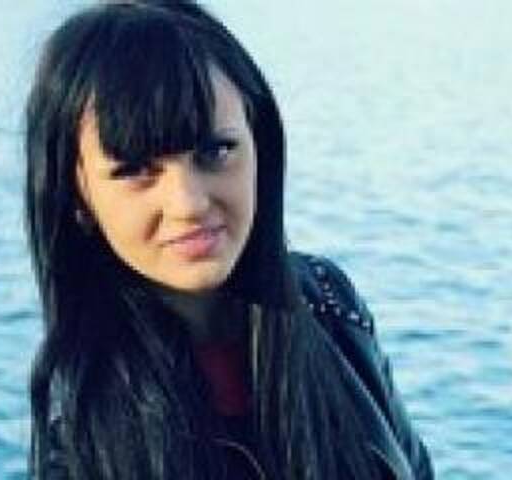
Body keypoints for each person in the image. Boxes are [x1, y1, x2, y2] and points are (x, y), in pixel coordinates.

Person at [23, 1, 434, 479]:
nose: (188, 203)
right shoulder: (79, 441)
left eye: (215, 150)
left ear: (260, 145)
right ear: (77, 195)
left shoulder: (329, 305)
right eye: (135, 170)